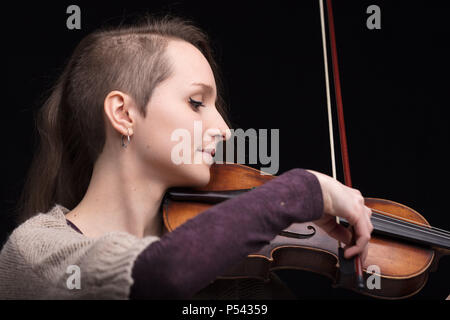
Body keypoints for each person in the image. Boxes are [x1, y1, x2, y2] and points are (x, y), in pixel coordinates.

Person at [0, 14, 373, 299]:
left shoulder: (232, 274)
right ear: (123, 114)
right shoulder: (34, 252)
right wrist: (300, 190)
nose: (225, 130)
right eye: (196, 103)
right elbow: (162, 272)